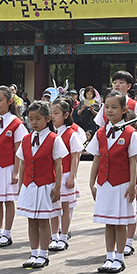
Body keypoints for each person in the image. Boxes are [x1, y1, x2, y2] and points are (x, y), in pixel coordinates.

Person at [87, 92, 137, 274]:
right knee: (108, 222)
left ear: (124, 109)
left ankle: (119, 257)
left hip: (121, 183)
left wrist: (132, 184)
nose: (109, 111)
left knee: (120, 222)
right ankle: (109, 256)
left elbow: (133, 161)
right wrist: (92, 182)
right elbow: (96, 159)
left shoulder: (130, 133)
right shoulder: (100, 133)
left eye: (114, 107)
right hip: (104, 183)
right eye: (107, 107)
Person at [16, 100, 68, 269]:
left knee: (44, 220)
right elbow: (23, 162)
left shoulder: (54, 139)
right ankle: (33, 252)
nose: (34, 122)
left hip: (46, 184)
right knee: (31, 220)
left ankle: (43, 254)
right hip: (29, 185)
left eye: (38, 118)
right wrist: (20, 184)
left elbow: (58, 164)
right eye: (31, 119)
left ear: (47, 119)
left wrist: (58, 186)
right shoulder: (26, 139)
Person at [0, 86, 26, 248]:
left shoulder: (16, 123)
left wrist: (16, 172)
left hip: (8, 167)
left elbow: (19, 151)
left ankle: (7, 233)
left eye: (0, 100)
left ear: (9, 101)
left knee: (8, 200)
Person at [48, 97, 85, 252]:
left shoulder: (71, 134)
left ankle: (63, 236)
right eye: (51, 113)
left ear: (66, 115)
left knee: (64, 206)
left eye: (56, 113)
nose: (53, 116)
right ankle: (54, 236)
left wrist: (72, 176)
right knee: (53, 208)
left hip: (66, 173)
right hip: (52, 175)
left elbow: (76, 155)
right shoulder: (50, 133)